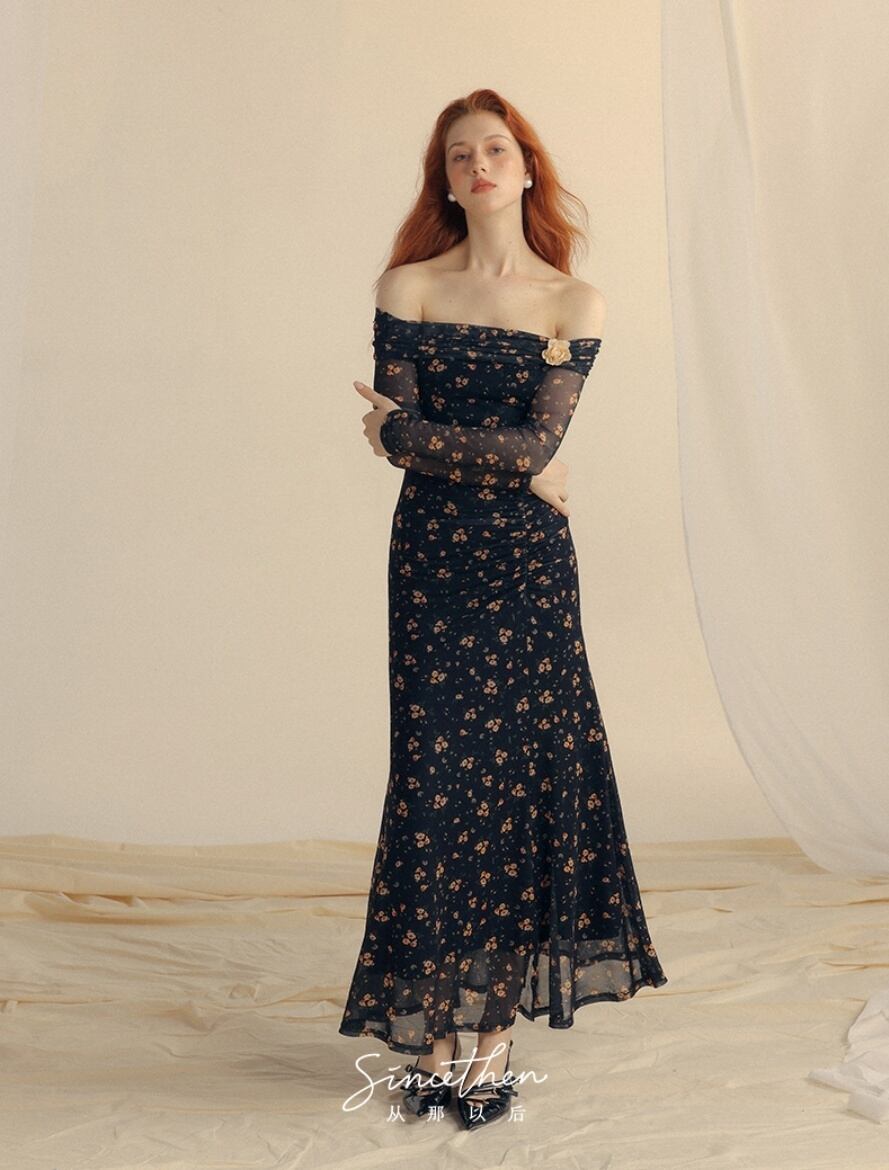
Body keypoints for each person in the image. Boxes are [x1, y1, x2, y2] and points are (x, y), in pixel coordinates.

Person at [339, 88, 667, 1132]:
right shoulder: (407, 286)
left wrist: (432, 441)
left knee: (518, 784)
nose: (478, 165)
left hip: (527, 571)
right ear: (444, 180)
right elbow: (452, 447)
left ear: (526, 168)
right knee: (435, 783)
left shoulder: (575, 302)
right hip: (433, 562)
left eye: (495, 149)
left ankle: (490, 1034)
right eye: (459, 155)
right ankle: (437, 1024)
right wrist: (508, 464)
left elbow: (496, 440)